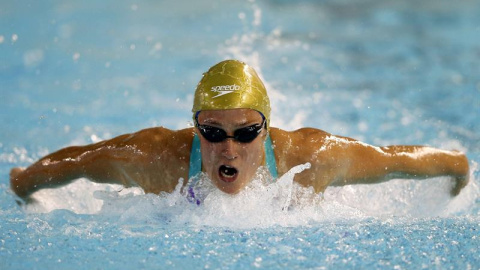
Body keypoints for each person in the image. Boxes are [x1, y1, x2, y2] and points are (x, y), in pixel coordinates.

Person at [10, 60, 469, 202]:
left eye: (246, 133)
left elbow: (395, 160)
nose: (229, 148)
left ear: (266, 132)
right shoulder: (155, 159)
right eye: (212, 132)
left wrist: (457, 170)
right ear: (195, 129)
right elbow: (77, 162)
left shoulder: (311, 159)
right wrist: (22, 184)